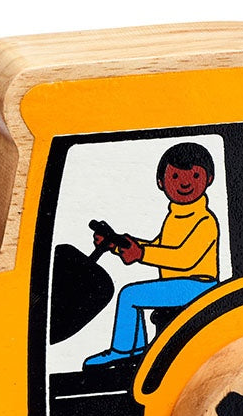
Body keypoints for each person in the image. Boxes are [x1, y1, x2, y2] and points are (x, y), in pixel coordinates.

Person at [84, 142, 219, 368]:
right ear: (161, 182)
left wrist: (141, 253)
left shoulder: (205, 221)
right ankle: (134, 350)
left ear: (209, 179)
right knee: (133, 295)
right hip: (180, 284)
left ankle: (124, 351)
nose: (185, 183)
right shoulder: (175, 217)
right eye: (175, 176)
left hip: (199, 285)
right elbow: (159, 246)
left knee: (130, 295)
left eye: (195, 175)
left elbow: (184, 258)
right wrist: (117, 245)